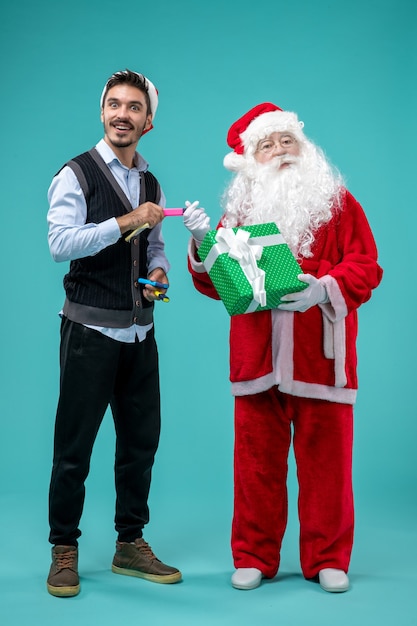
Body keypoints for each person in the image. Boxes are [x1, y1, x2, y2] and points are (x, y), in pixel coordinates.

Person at [183, 102, 382, 592]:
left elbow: (367, 266)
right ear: (253, 158)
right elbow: (217, 287)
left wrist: (324, 288)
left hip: (323, 360)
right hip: (257, 360)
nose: (279, 152)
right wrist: (203, 244)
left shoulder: (339, 204)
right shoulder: (239, 214)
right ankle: (254, 555)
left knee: (327, 469)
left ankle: (328, 558)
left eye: (286, 141)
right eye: (267, 145)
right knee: (255, 468)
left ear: (303, 146)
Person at [46, 69, 181, 597]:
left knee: (140, 443)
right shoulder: (75, 174)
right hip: (88, 331)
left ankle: (130, 543)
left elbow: (156, 248)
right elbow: (60, 242)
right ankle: (64, 548)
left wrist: (161, 273)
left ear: (150, 120)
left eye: (133, 107)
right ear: (102, 111)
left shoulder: (150, 182)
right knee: (73, 448)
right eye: (113, 105)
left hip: (140, 333)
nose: (121, 114)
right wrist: (127, 223)